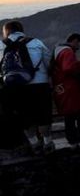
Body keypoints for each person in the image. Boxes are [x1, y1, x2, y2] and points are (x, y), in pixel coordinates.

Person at [0, 20, 54, 154]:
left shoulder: (1, 45)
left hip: (14, 87)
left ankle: (35, 144)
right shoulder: (36, 42)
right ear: (21, 30)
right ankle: (48, 143)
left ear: (6, 32)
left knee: (24, 117)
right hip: (39, 85)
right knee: (43, 116)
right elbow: (48, 63)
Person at [52, 33, 80, 147]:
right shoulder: (67, 51)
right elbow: (68, 68)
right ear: (74, 40)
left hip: (62, 88)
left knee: (69, 116)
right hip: (71, 88)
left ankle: (72, 140)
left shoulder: (58, 51)